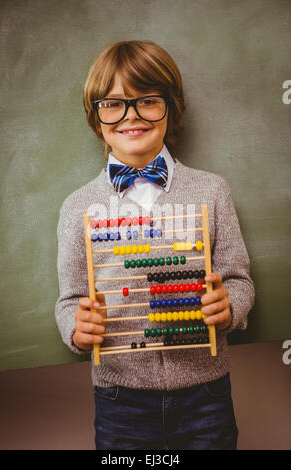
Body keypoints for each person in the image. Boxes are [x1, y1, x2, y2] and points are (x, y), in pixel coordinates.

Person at [55, 40, 255, 450]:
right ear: (96, 119)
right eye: (113, 104)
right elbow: (70, 299)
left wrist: (229, 306)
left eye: (147, 100)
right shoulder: (79, 207)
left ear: (171, 107)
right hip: (120, 399)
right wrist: (75, 329)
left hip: (206, 394)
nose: (131, 116)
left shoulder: (211, 191)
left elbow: (239, 280)